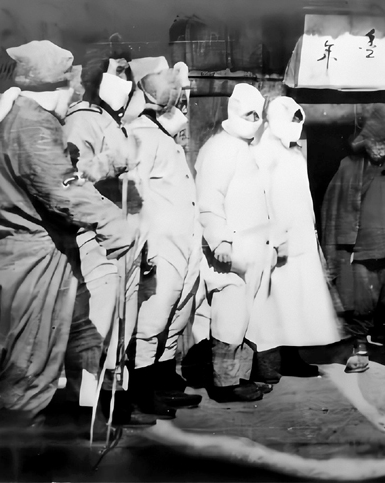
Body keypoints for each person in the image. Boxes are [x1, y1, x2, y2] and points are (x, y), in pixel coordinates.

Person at [0, 40, 134, 426]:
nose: (76, 94)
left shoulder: (28, 119)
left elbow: (56, 179)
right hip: (35, 260)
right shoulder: (31, 125)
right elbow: (60, 189)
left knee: (76, 340)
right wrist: (112, 223)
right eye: (71, 86)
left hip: (50, 252)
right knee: (30, 369)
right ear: (55, 88)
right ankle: (14, 448)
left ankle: (70, 428)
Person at [62, 46, 156, 424]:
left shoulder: (112, 120)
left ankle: (114, 401)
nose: (126, 81)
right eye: (118, 72)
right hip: (97, 238)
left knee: (123, 323)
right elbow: (71, 184)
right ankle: (87, 411)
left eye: (128, 73)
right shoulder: (82, 120)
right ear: (97, 76)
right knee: (99, 325)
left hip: (124, 237)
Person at [124, 58, 203, 414]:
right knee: (153, 316)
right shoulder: (140, 134)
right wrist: (143, 248)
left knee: (179, 310)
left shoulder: (162, 135)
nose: (179, 100)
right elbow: (135, 194)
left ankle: (165, 378)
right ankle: (142, 389)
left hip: (184, 241)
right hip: (159, 243)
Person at [245, 96, 343, 380]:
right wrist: (278, 239)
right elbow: (266, 199)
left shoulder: (294, 154)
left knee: (297, 301)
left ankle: (293, 355)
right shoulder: (265, 152)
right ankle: (270, 361)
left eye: (299, 122)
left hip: (302, 238)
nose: (296, 128)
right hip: (280, 241)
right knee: (277, 302)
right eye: (291, 121)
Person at [321, 105, 385, 374]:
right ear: (365, 143)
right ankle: (359, 349)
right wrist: (339, 247)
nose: (378, 148)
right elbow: (333, 207)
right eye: (374, 142)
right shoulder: (348, 167)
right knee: (360, 303)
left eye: (383, 143)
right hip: (362, 248)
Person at [196, 83, 270, 402]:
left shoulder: (249, 150)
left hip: (253, 251)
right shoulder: (219, 148)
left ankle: (241, 377)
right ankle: (225, 384)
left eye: (258, 114)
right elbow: (209, 200)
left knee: (247, 318)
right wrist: (220, 241)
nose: (254, 120)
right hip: (230, 251)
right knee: (229, 316)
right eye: (248, 113)